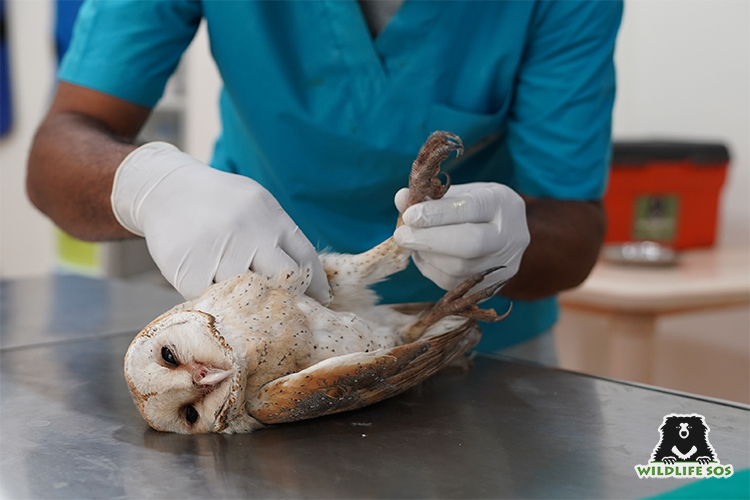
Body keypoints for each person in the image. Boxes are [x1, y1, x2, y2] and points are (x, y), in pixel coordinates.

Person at [27, 0, 622, 357]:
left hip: (475, 354)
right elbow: (59, 149)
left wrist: (509, 249)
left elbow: (573, 220)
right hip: (256, 333)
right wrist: (149, 186)